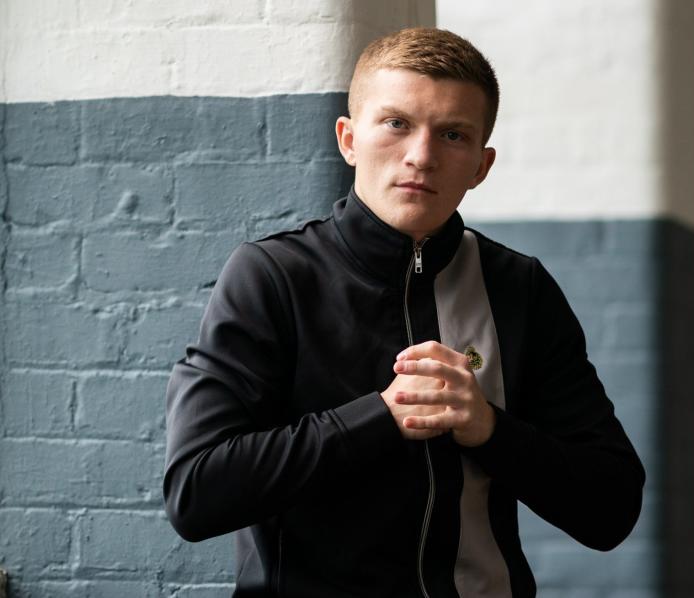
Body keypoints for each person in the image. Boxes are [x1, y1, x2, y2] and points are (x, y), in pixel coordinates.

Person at [163, 27, 645, 598]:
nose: (421, 155)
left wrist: (488, 428)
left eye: (453, 134)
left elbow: (611, 509)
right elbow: (196, 493)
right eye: (396, 124)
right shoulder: (272, 276)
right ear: (348, 139)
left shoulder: (520, 287)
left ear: (481, 166)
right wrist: (383, 417)